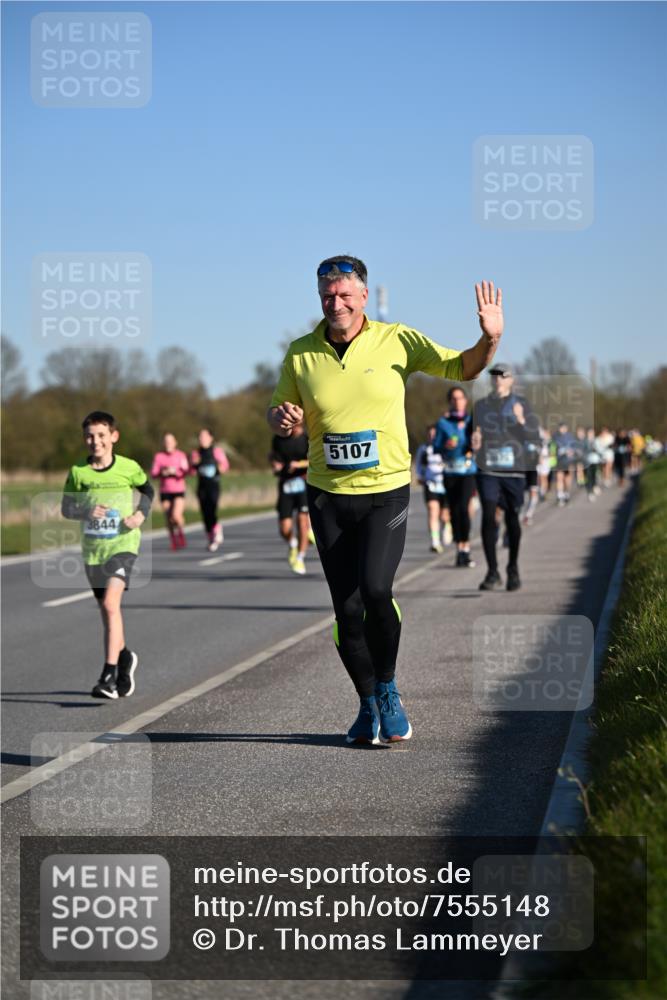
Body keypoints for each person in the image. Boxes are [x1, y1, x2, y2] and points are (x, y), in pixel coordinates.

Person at [267, 255, 503, 745]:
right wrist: (283, 419)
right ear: (319, 297)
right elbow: (278, 411)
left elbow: (463, 367)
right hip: (327, 495)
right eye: (329, 295)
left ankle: (390, 689)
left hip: (385, 491)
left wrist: (490, 339)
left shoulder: (397, 339)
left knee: (376, 590)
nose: (337, 304)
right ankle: (367, 701)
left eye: (346, 295)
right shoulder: (300, 353)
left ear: (364, 297)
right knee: (346, 610)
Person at [61, 411, 154, 699]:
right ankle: (124, 656)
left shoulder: (128, 467)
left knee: (112, 605)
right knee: (107, 611)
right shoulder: (79, 472)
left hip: (123, 546)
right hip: (93, 552)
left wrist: (140, 513)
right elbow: (66, 508)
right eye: (89, 435)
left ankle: (108, 676)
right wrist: (85, 511)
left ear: (113, 436)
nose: (95, 441)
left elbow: (148, 489)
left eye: (101, 435)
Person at [472, 362, 538, 592]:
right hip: (488, 469)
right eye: (494, 375)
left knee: (512, 518)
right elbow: (472, 434)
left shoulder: (523, 405)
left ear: (512, 380)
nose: (498, 378)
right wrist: (473, 441)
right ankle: (492, 571)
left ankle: (513, 568)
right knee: (488, 515)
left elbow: (534, 436)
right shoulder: (480, 406)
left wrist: (521, 420)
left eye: (503, 375)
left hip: (514, 470)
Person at [434, 387, 477, 567]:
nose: (457, 401)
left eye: (460, 398)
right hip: (450, 472)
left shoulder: (472, 421)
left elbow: (480, 442)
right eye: (454, 398)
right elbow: (436, 447)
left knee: (463, 508)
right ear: (450, 401)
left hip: (468, 471)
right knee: (453, 510)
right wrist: (446, 445)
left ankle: (466, 548)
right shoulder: (443, 423)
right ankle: (459, 549)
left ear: (465, 401)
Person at [269, 419, 311, 575]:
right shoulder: (278, 440)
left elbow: (315, 460)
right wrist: (275, 465)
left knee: (302, 521)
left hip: (303, 483)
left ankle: (300, 557)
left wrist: (298, 465)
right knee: (284, 528)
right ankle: (293, 543)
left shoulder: (308, 439)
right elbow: (273, 457)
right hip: (286, 485)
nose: (294, 429)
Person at [190, 429, 229, 551]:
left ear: (211, 438)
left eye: (204, 436)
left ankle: (217, 530)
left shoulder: (216, 451)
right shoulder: (196, 453)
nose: (202, 439)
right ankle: (211, 538)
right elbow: (191, 471)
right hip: (202, 486)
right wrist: (193, 464)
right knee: (204, 512)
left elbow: (225, 465)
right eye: (200, 437)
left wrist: (220, 468)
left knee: (211, 509)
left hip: (213, 485)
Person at [414, 425, 450, 553]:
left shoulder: (445, 447)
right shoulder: (423, 449)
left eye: (434, 434)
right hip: (430, 484)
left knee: (444, 515)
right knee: (432, 510)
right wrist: (420, 476)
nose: (432, 437)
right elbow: (418, 464)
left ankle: (447, 525)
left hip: (445, 484)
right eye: (430, 434)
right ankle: (435, 542)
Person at [151, 433, 189, 550]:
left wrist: (176, 472)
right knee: (168, 518)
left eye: (170, 441)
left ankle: (181, 533)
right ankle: (173, 540)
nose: (168, 444)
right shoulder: (159, 456)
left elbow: (187, 470)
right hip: (165, 490)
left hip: (178, 489)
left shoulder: (181, 455)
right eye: (166, 441)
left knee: (176, 516)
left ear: (175, 442)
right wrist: (163, 472)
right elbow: (153, 473)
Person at [552, 421, 578, 506]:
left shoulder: (570, 437)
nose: (562, 429)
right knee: (559, 478)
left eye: (564, 427)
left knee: (567, 479)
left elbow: (574, 447)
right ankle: (560, 495)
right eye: (561, 427)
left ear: (566, 428)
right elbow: (552, 448)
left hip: (568, 461)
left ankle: (566, 492)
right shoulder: (555, 436)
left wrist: (571, 452)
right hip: (559, 461)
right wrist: (556, 453)